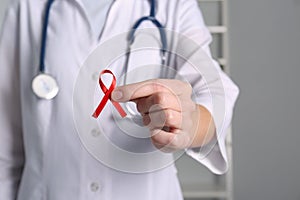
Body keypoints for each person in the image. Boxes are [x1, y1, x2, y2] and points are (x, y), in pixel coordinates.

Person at [0, 0, 239, 199]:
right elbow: (5, 151)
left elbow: (215, 92)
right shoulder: (27, 7)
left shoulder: (172, 5)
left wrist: (189, 122)